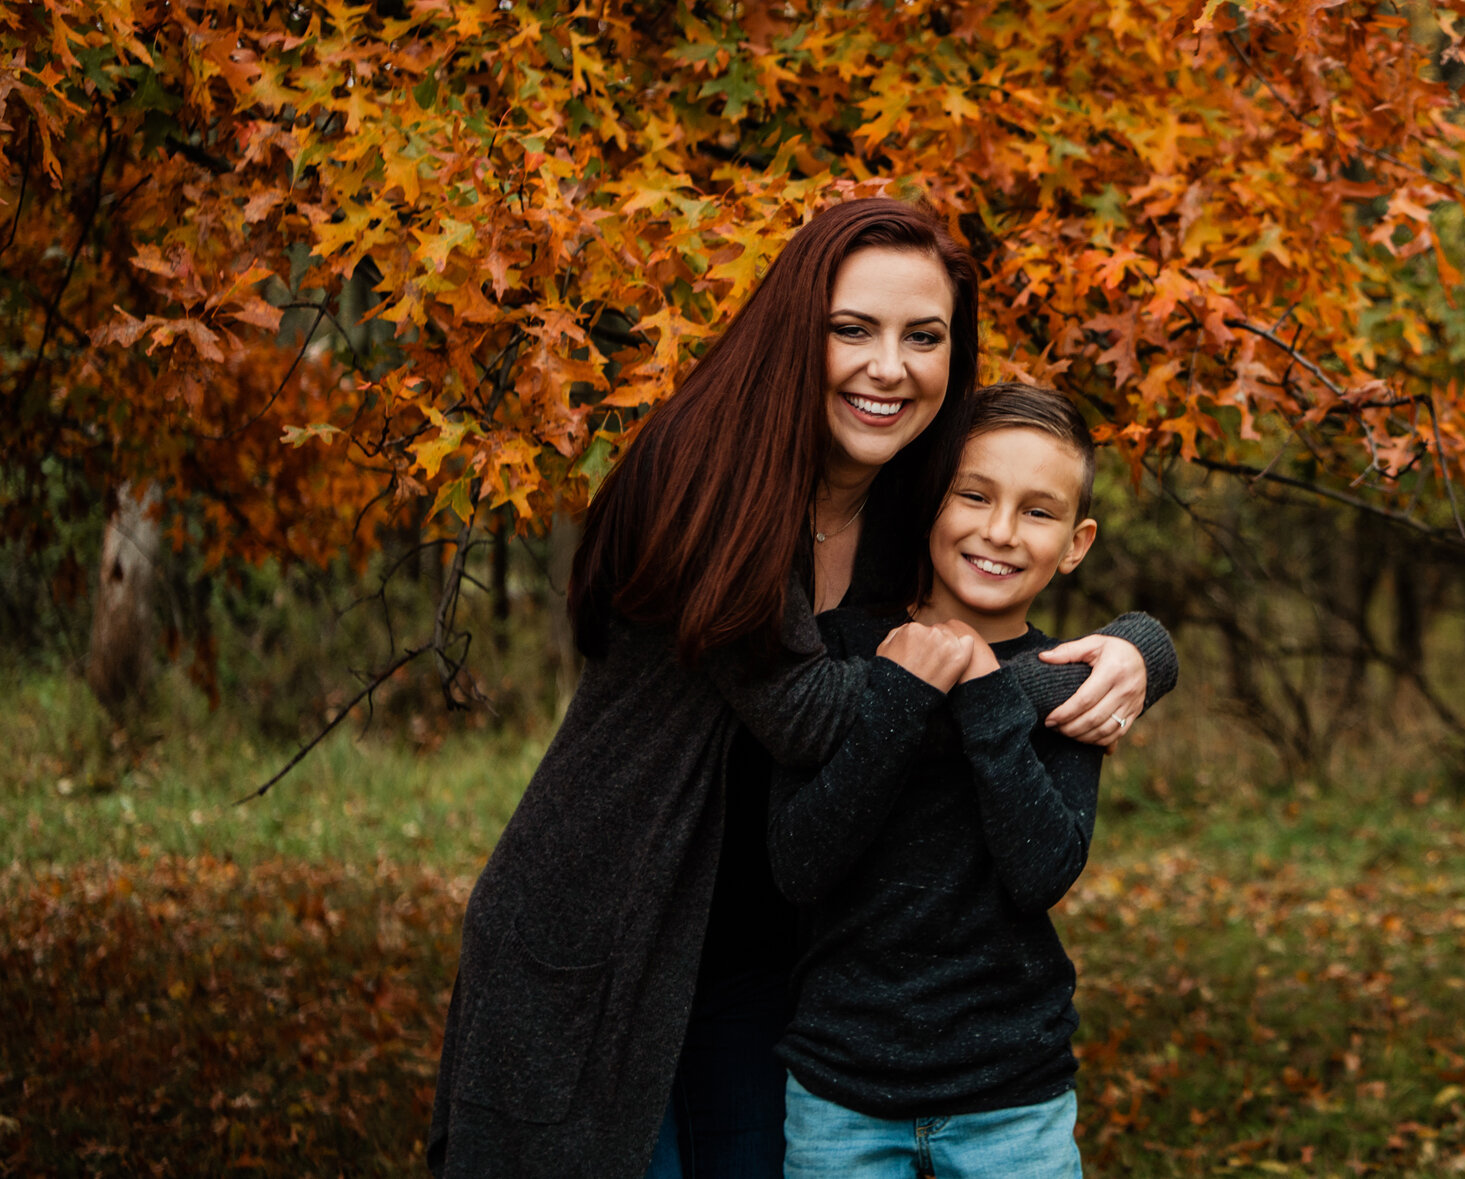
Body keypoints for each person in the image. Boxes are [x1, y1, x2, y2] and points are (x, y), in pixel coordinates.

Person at [427, 201, 1177, 1179]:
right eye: (851, 329)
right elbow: (816, 714)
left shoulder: (906, 498)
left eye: (923, 337)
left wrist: (1136, 648)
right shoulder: (703, 476)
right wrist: (972, 681)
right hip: (609, 925)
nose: (888, 366)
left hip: (765, 959)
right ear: (796, 330)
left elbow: (998, 589)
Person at [768, 383, 1123, 1179]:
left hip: (1013, 1099)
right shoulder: (836, 651)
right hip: (841, 1092)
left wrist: (989, 687)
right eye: (974, 494)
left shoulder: (1072, 677)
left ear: (1076, 541)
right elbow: (798, 863)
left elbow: (1041, 874)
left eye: (1038, 511)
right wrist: (900, 697)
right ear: (931, 496)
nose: (999, 530)